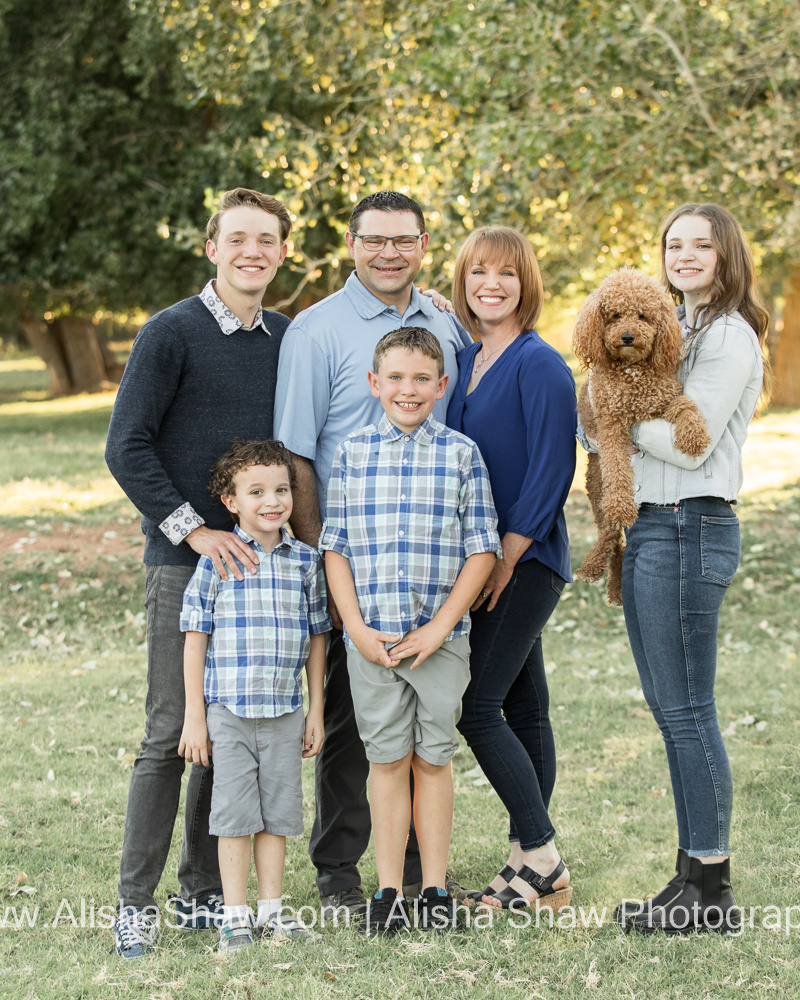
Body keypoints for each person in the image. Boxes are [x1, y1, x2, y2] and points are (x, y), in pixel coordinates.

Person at [273, 190, 472, 916]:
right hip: (346, 554)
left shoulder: (444, 324)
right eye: (375, 239)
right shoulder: (316, 330)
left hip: (428, 564)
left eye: (404, 240)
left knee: (421, 723)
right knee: (353, 722)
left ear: (424, 244)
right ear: (351, 244)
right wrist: (324, 567)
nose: (390, 252)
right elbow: (296, 454)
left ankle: (422, 869)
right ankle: (339, 867)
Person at [105, 188, 292, 959]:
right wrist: (195, 532)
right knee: (168, 733)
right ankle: (134, 904)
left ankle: (205, 892)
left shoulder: (286, 336)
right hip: (185, 566)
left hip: (263, 569)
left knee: (234, 727)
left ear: (284, 252)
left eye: (267, 240)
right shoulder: (170, 333)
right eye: (238, 238)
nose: (253, 251)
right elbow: (127, 447)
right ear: (212, 248)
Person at [612, 204, 767, 934]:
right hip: (652, 530)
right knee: (670, 711)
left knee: (689, 712)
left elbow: (689, 446)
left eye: (700, 244)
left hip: (689, 526)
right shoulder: (681, 326)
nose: (685, 255)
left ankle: (711, 889)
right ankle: (689, 878)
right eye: (674, 244)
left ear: (725, 254)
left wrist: (606, 415)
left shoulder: (731, 334)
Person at [320, 327, 500, 933]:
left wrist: (442, 627)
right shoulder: (351, 454)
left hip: (440, 644)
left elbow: (482, 550)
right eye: (395, 377)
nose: (408, 389)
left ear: (442, 385)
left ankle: (436, 890)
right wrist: (356, 628)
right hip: (373, 641)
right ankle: (391, 890)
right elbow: (336, 548)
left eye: (423, 378)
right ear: (374, 385)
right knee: (387, 760)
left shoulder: (460, 455)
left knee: (434, 759)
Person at [446, 226, 577, 912]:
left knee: (477, 707)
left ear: (527, 282)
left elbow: (556, 467)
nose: (490, 284)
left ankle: (543, 853)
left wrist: (507, 554)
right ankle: (524, 864)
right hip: (484, 558)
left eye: (505, 273)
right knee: (525, 708)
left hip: (524, 560)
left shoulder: (540, 363)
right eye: (477, 273)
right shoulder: (467, 359)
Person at [179, 440, 330, 951]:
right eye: (257, 491)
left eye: (282, 490)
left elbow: (317, 638)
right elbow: (195, 638)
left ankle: (272, 911)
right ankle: (235, 916)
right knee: (234, 813)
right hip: (229, 709)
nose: (273, 501)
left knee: (279, 812)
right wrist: (195, 718)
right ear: (232, 502)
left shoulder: (305, 563)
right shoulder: (217, 560)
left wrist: (317, 710)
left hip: (286, 710)